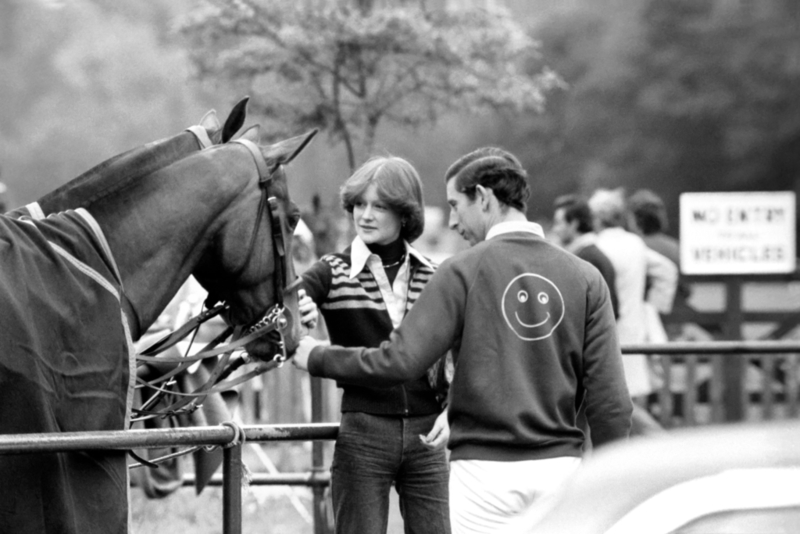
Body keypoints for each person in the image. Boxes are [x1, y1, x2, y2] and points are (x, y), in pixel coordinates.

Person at [294, 147, 633, 533]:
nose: (452, 221)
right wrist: (608, 481)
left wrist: (318, 356)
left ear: (484, 199)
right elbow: (613, 404)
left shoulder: (458, 271)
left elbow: (403, 360)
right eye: (359, 205)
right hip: (561, 467)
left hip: (481, 471)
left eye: (456, 205)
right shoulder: (587, 277)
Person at [297, 156, 451, 534]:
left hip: (429, 434)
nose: (364, 215)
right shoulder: (330, 271)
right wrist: (301, 312)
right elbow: (283, 318)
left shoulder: (435, 275)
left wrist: (454, 410)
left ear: (405, 214)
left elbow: (459, 351)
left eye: (379, 205)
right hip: (364, 432)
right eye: (359, 205)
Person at [588, 188, 677, 434]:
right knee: (630, 398)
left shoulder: (594, 246)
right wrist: (653, 308)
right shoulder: (634, 243)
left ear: (596, 217)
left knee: (612, 398)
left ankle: (659, 443)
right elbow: (667, 271)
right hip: (635, 328)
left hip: (603, 330)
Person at [551, 194, 619, 318]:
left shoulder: (584, 259)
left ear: (574, 224)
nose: (555, 229)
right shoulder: (591, 254)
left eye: (558, 223)